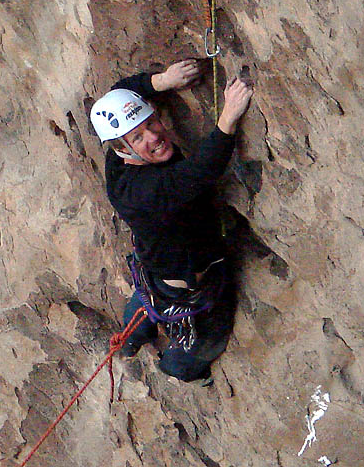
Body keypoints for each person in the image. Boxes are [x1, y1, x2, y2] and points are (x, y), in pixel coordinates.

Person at [89, 59, 253, 383]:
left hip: (156, 264)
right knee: (206, 343)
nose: (154, 137)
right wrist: (228, 118)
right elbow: (200, 173)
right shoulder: (142, 191)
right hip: (186, 283)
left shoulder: (117, 149)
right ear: (125, 149)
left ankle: (133, 336)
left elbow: (121, 93)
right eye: (139, 138)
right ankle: (174, 368)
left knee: (146, 299)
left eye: (151, 124)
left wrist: (163, 81)